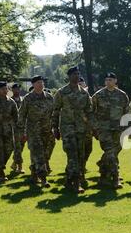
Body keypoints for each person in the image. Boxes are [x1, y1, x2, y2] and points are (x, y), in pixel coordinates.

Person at [52, 66, 94, 194]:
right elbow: (55, 111)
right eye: (74, 74)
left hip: (81, 129)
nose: (76, 76)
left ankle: (69, 178)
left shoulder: (84, 93)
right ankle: (77, 183)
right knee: (72, 155)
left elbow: (89, 111)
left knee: (81, 155)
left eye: (78, 74)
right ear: (69, 76)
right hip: (67, 128)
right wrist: (55, 128)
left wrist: (92, 127)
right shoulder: (61, 92)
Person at [92, 72, 129, 189]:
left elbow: (126, 113)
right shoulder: (98, 95)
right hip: (104, 129)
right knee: (110, 152)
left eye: (111, 80)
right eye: (107, 80)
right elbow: (91, 112)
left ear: (115, 81)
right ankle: (115, 178)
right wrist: (95, 128)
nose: (109, 82)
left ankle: (103, 174)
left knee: (114, 152)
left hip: (118, 129)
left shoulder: (122, 95)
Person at [18, 76, 54, 188]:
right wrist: (22, 132)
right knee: (38, 154)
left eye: (42, 82)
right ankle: (43, 178)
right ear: (33, 85)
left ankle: (34, 172)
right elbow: (22, 116)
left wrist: (55, 128)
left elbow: (54, 114)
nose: (41, 84)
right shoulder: (28, 98)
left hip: (47, 131)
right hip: (33, 131)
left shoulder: (49, 97)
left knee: (44, 154)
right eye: (38, 83)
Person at [79, 77, 94, 172]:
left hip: (88, 129)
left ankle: (83, 164)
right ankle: (79, 167)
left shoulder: (90, 98)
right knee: (79, 149)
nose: (80, 86)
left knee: (88, 149)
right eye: (79, 84)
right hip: (77, 128)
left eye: (82, 84)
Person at [11, 83, 25, 174]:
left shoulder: (23, 100)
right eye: (15, 89)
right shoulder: (10, 100)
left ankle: (14, 163)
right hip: (14, 127)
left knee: (21, 146)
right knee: (18, 147)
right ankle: (19, 167)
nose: (17, 90)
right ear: (12, 90)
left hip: (23, 127)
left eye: (18, 89)